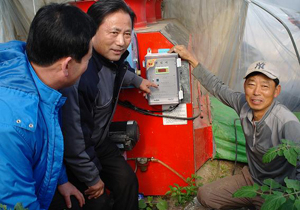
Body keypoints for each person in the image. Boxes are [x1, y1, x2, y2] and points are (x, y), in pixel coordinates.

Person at [169, 45, 300, 209]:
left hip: (277, 191)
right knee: (205, 195)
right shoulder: (243, 104)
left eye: (265, 86)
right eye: (251, 84)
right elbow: (218, 87)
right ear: (244, 86)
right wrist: (191, 59)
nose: (256, 92)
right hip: (251, 180)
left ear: (276, 91)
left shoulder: (287, 122)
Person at [56, 0, 157, 210]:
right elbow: (74, 140)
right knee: (98, 202)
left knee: (127, 182)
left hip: (99, 141)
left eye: (127, 34)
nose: (121, 42)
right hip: (78, 151)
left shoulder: (111, 59)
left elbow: (118, 71)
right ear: (92, 30)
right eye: (114, 32)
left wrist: (138, 81)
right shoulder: (81, 75)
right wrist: (92, 178)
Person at [0, 3, 96, 210]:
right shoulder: (13, 125)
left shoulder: (39, 78)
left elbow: (47, 138)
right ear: (67, 66)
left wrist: (61, 180)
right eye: (88, 59)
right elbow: (17, 203)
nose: (88, 66)